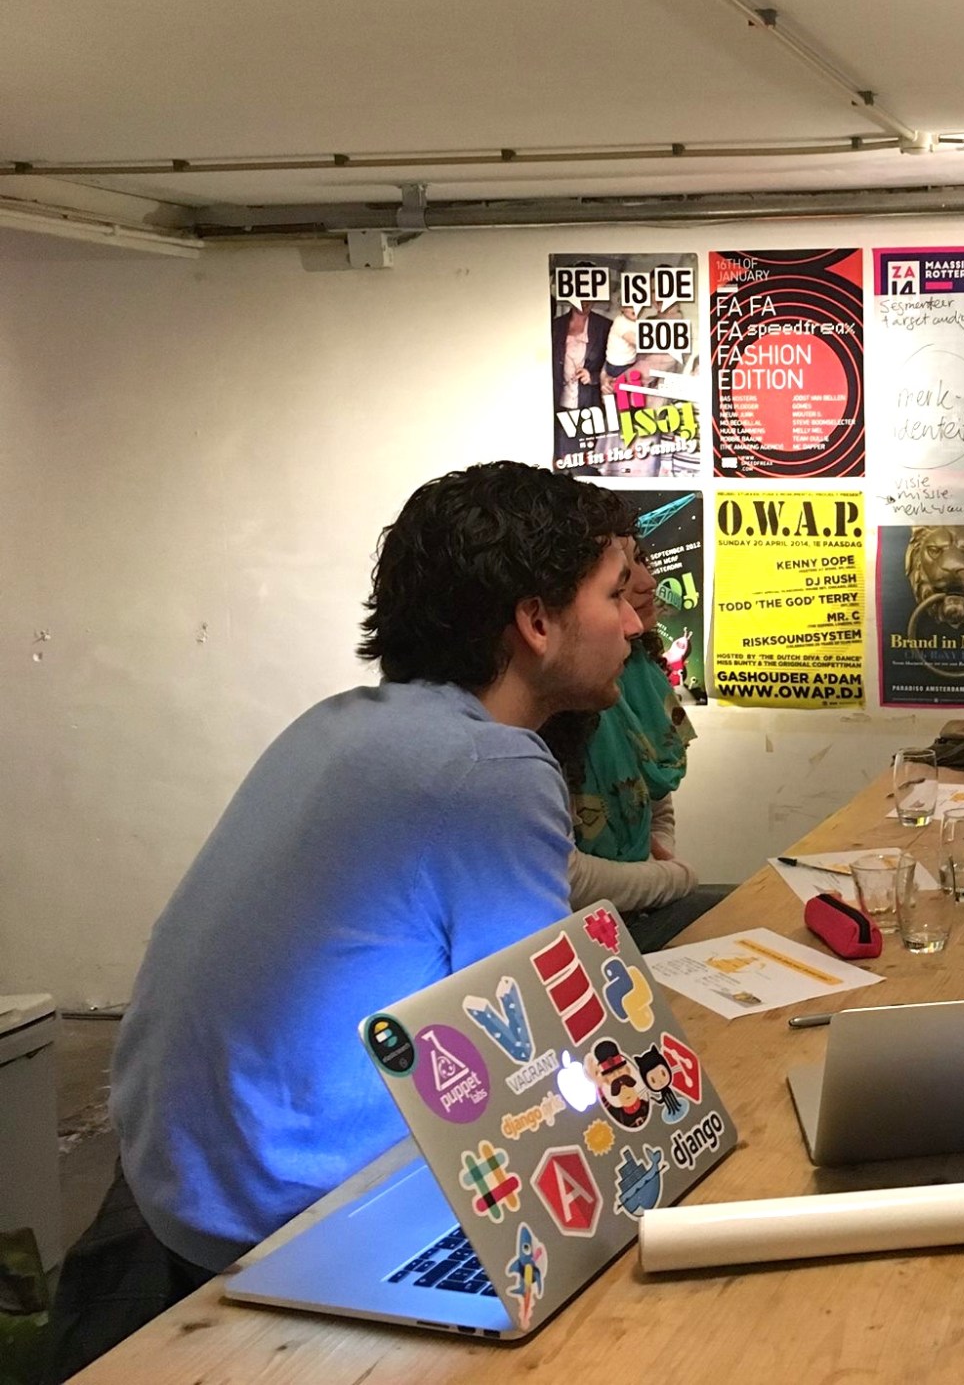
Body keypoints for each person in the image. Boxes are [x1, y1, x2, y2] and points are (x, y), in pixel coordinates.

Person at [43, 463, 639, 1378]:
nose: (634, 623)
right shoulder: (494, 767)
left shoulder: (340, 723)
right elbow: (532, 1053)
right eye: (615, 594)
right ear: (535, 621)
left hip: (169, 1186)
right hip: (288, 1221)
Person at [559, 539, 731, 952]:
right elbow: (567, 879)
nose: (649, 581)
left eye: (640, 559)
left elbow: (657, 805)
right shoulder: (558, 707)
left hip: (635, 905)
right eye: (616, 586)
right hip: (580, 931)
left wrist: (658, 868)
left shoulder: (638, 675)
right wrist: (676, 877)